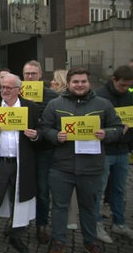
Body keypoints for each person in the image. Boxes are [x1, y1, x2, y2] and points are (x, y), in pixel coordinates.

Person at [42, 67, 122, 253]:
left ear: (89, 82)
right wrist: (55, 136)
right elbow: (45, 128)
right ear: (68, 83)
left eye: (83, 81)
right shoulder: (55, 104)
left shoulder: (104, 104)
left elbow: (117, 128)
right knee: (60, 206)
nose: (79, 85)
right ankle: (58, 240)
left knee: (90, 206)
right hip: (62, 167)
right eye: (75, 82)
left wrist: (106, 134)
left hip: (91, 167)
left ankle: (90, 240)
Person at [0, 73, 39, 253]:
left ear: (18, 90)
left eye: (9, 88)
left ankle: (16, 235)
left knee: (19, 199)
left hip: (21, 163)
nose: (4, 90)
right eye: (2, 87)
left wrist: (36, 135)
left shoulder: (31, 108)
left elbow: (40, 130)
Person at [93, 65, 133, 243]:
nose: (124, 88)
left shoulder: (130, 97)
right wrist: (114, 129)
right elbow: (94, 122)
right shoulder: (100, 97)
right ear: (114, 80)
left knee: (119, 189)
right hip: (105, 150)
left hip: (123, 150)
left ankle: (120, 222)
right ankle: (96, 224)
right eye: (122, 85)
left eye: (128, 85)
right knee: (99, 190)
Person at [22, 60, 59, 244]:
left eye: (33, 74)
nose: (29, 77)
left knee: (43, 190)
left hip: (44, 150)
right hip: (23, 149)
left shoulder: (52, 96)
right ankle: (19, 223)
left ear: (40, 75)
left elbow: (54, 123)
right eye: (27, 74)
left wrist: (40, 130)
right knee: (19, 188)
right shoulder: (16, 93)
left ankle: (41, 226)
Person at [50, 70, 80, 230]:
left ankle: (69, 219)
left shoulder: (63, 101)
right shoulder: (51, 98)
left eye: (54, 81)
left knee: (66, 186)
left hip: (67, 151)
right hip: (54, 146)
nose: (51, 83)